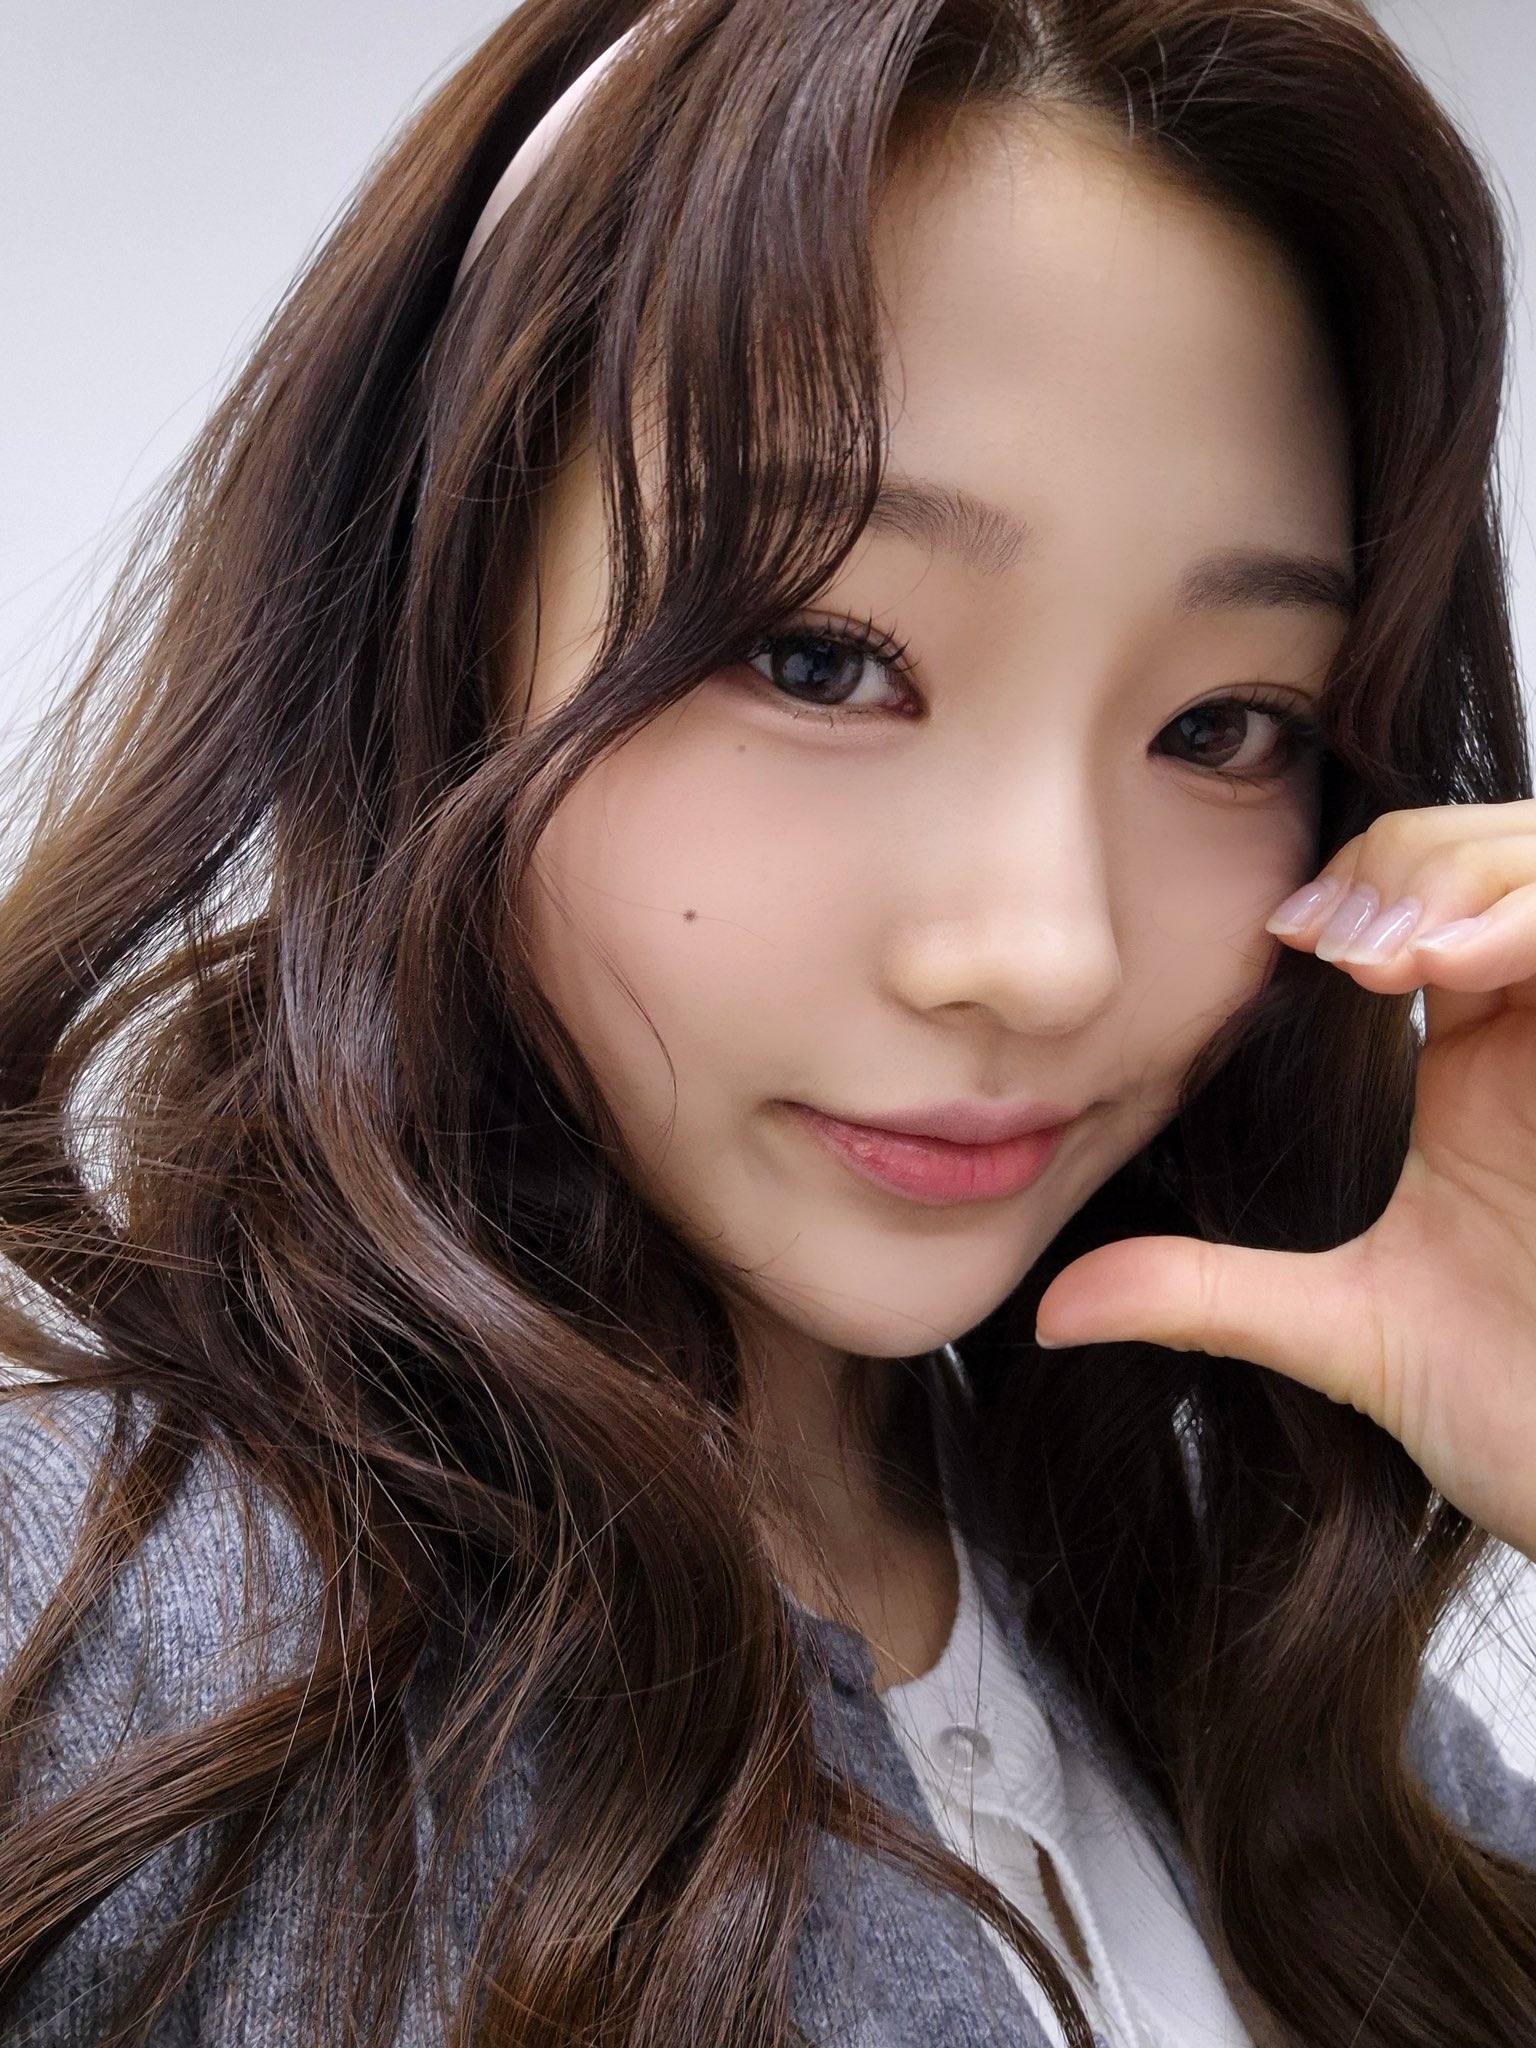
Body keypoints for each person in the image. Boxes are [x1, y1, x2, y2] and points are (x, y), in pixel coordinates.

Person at [0, 0, 1533, 2041]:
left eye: (1225, 725)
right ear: (438, 628)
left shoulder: (1253, 1663)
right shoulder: (93, 1637)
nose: (1049, 953)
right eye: (821, 658)